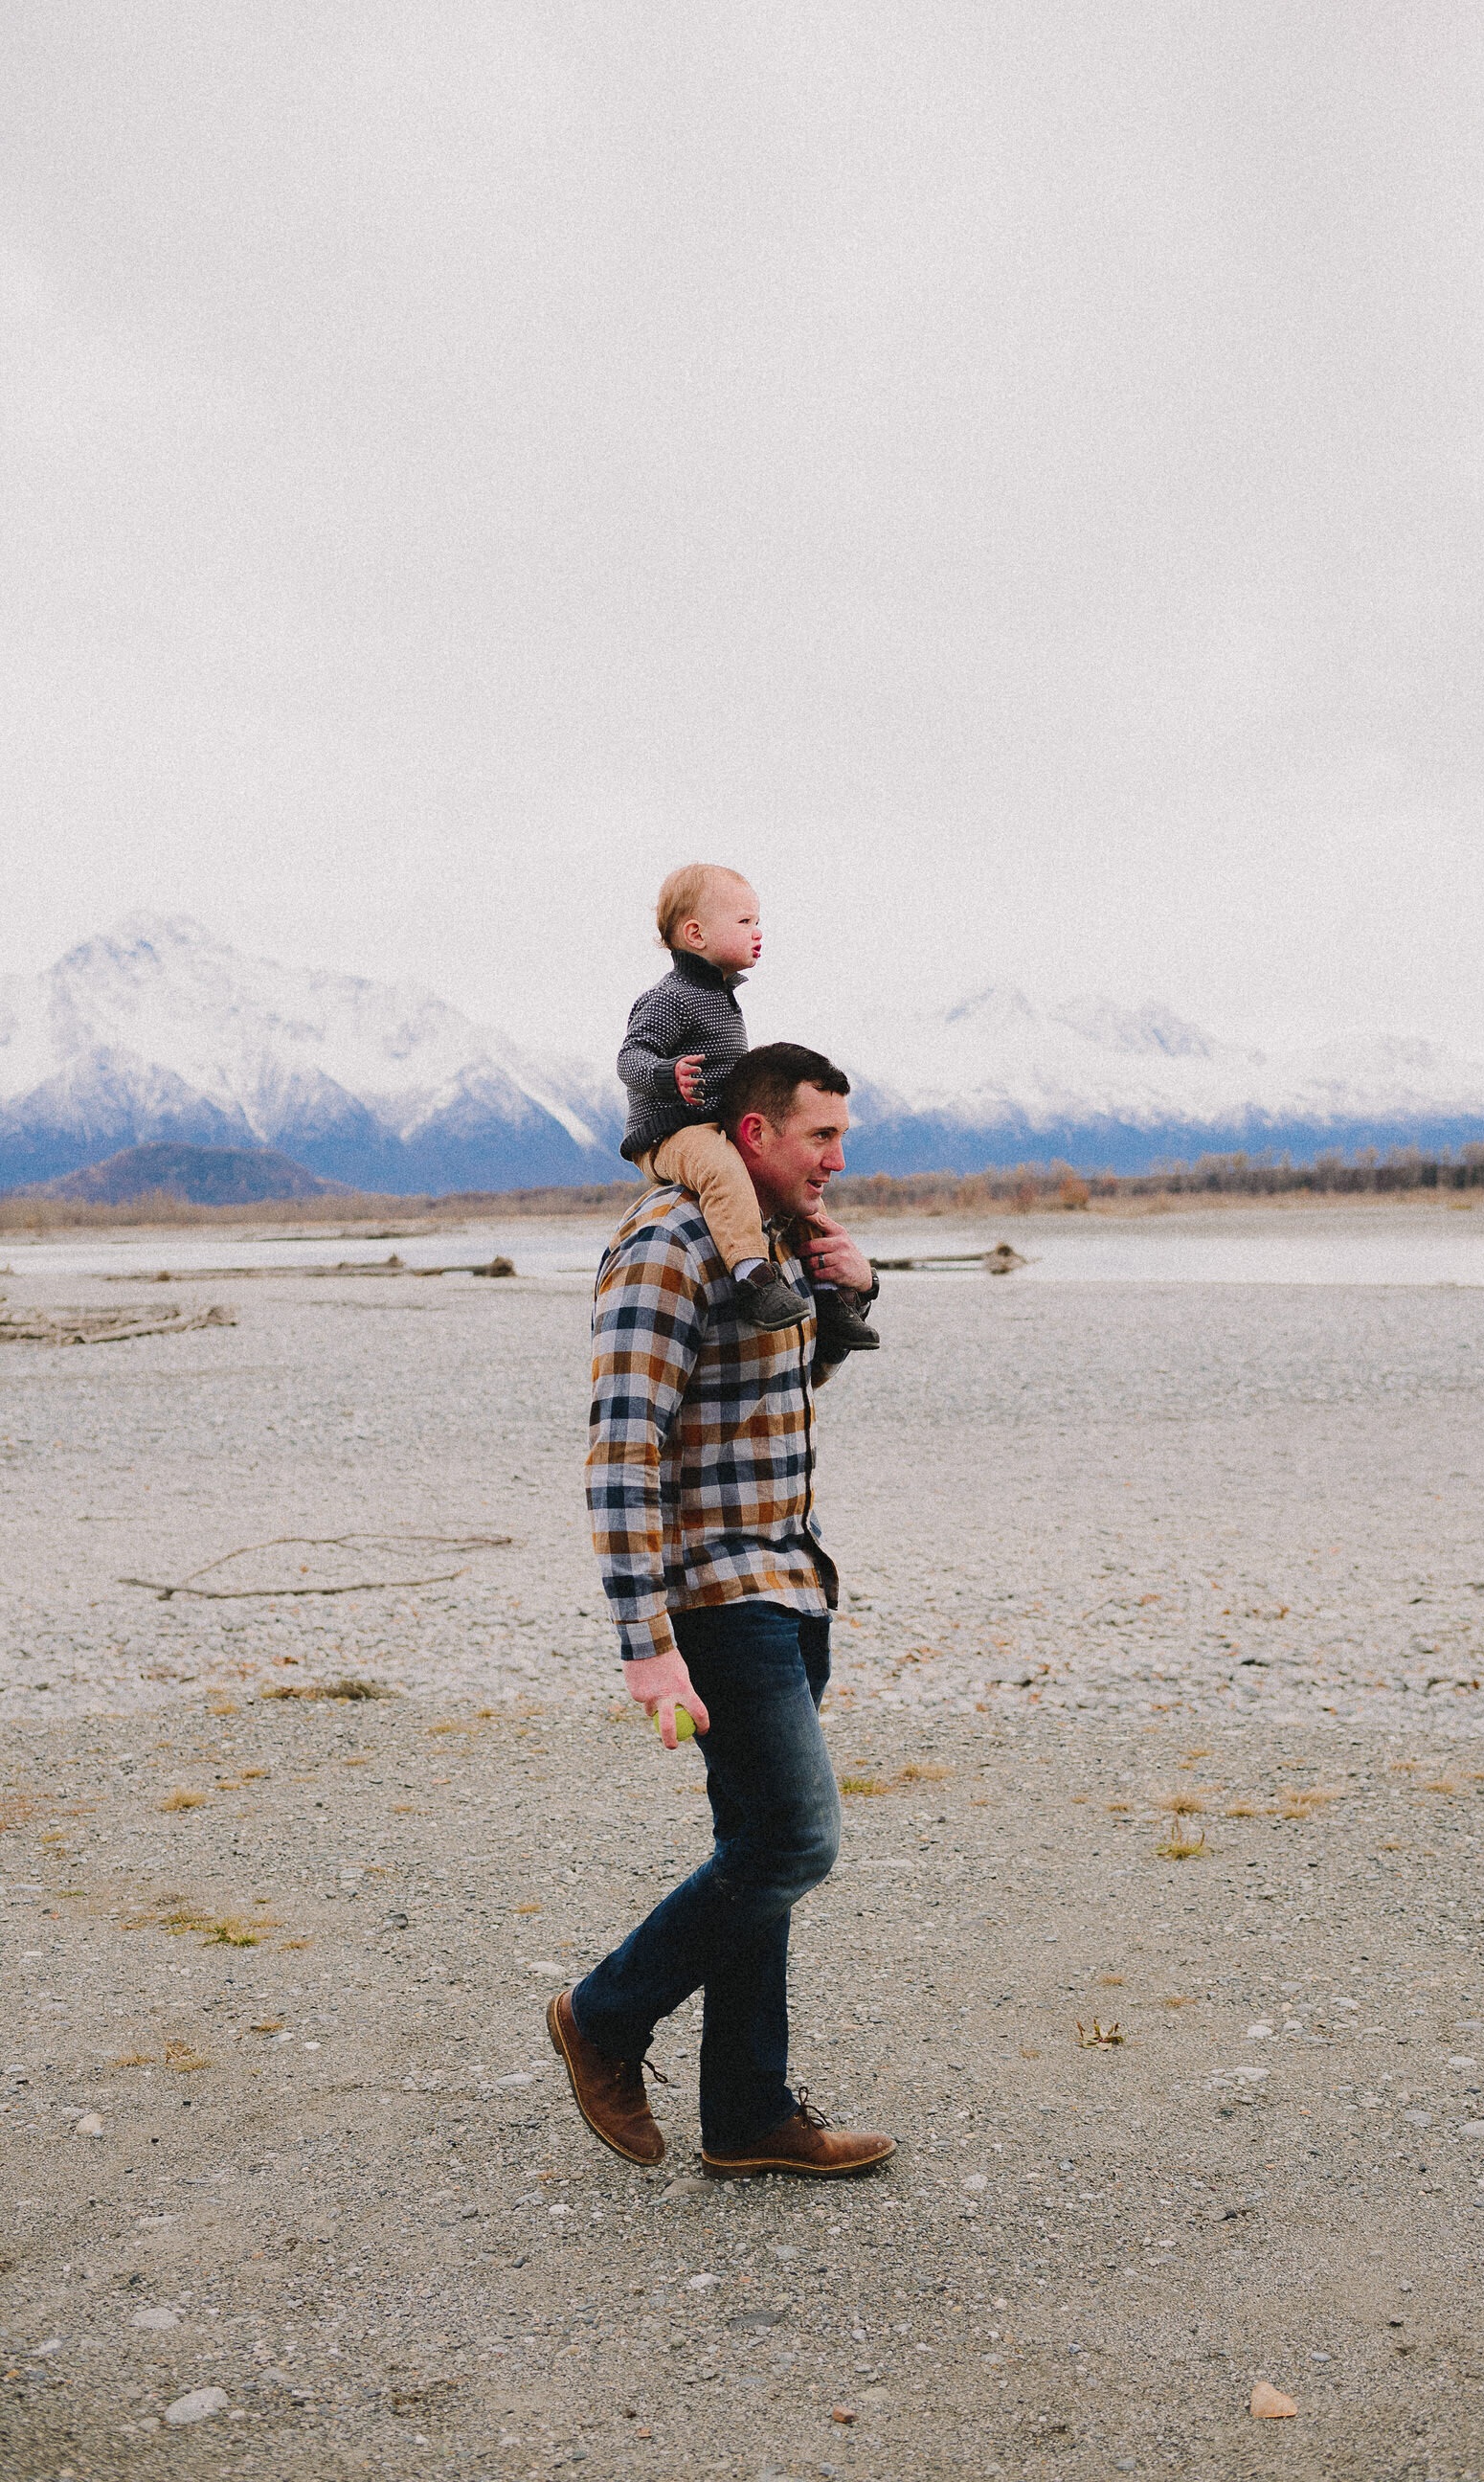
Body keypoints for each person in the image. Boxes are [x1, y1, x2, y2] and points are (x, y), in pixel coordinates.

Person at [548, 1042, 895, 2178]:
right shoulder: (666, 1245)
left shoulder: (771, 1250)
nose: (839, 1159)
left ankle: (746, 2115)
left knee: (755, 1851)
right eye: (820, 1137)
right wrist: (644, 1646)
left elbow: (761, 1410)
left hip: (794, 1584)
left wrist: (839, 1300)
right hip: (716, 1597)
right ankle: (602, 2014)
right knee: (793, 1840)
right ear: (755, 1136)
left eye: (842, 1136)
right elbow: (620, 1451)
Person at [616, 862, 877, 1357]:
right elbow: (630, 1057)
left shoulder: (721, 997)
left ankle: (835, 1303)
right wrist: (666, 1076)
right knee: (722, 1171)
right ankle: (753, 1277)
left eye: (757, 922)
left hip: (710, 1126)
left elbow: (793, 1388)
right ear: (695, 934)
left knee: (810, 1208)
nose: (758, 933)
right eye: (745, 923)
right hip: (671, 1131)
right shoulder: (667, 998)